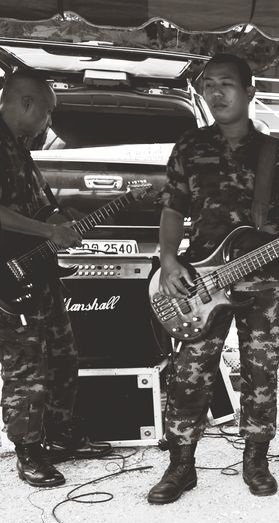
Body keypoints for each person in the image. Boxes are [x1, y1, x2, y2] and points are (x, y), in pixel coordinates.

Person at [148, 53, 279, 505]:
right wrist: (169, 259)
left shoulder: (276, 153)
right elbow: (173, 208)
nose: (216, 93)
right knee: (190, 372)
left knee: (261, 371)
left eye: (227, 84)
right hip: (200, 279)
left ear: (249, 92)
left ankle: (256, 459)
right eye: (208, 85)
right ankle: (181, 466)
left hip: (263, 282)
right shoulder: (189, 146)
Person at [0, 72, 110, 487]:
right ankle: (28, 452)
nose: (48, 122)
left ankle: (63, 436)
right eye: (47, 111)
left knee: (63, 356)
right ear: (27, 104)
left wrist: (58, 221)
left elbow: (33, 208)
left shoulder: (19, 150)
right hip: (8, 279)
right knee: (25, 365)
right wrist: (49, 233)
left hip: (38, 275)